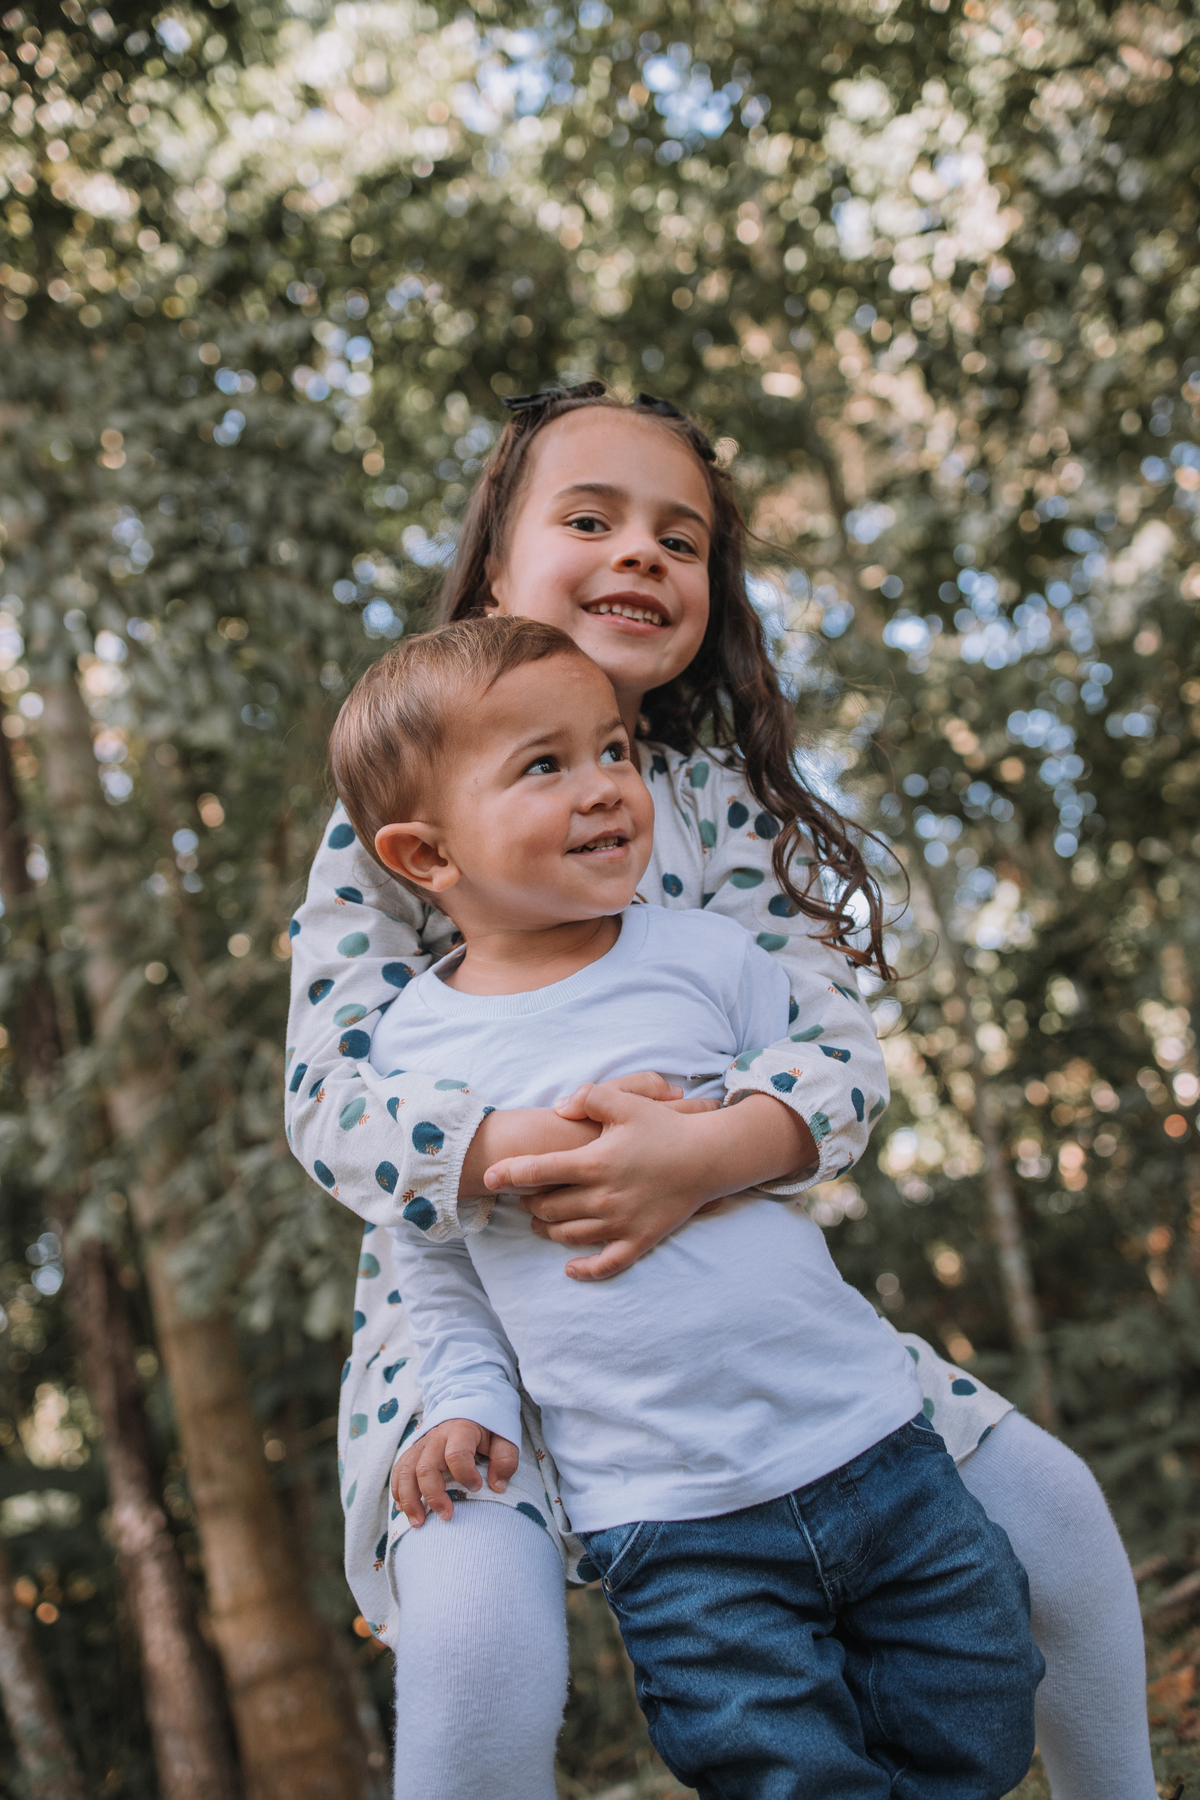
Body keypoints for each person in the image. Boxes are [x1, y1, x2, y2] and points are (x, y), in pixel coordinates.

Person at [285, 384, 1155, 1800]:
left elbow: (833, 1054)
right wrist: (508, 1148)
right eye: (590, 520)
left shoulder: (720, 807)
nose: (641, 551)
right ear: (495, 569)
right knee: (479, 1643)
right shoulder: (401, 810)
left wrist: (703, 1155)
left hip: (744, 1330)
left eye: (679, 538)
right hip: (470, 1335)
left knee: (1051, 1509)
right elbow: (327, 1097)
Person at [332, 609, 1045, 1799]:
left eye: (612, 750)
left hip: (869, 1438)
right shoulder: (412, 1051)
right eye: (545, 766)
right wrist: (463, 1403)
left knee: (983, 1700)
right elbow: (437, 1261)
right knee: (780, 1767)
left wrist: (713, 1145)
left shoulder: (703, 956)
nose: (606, 785)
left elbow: (823, 1083)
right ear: (426, 856)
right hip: (669, 1517)